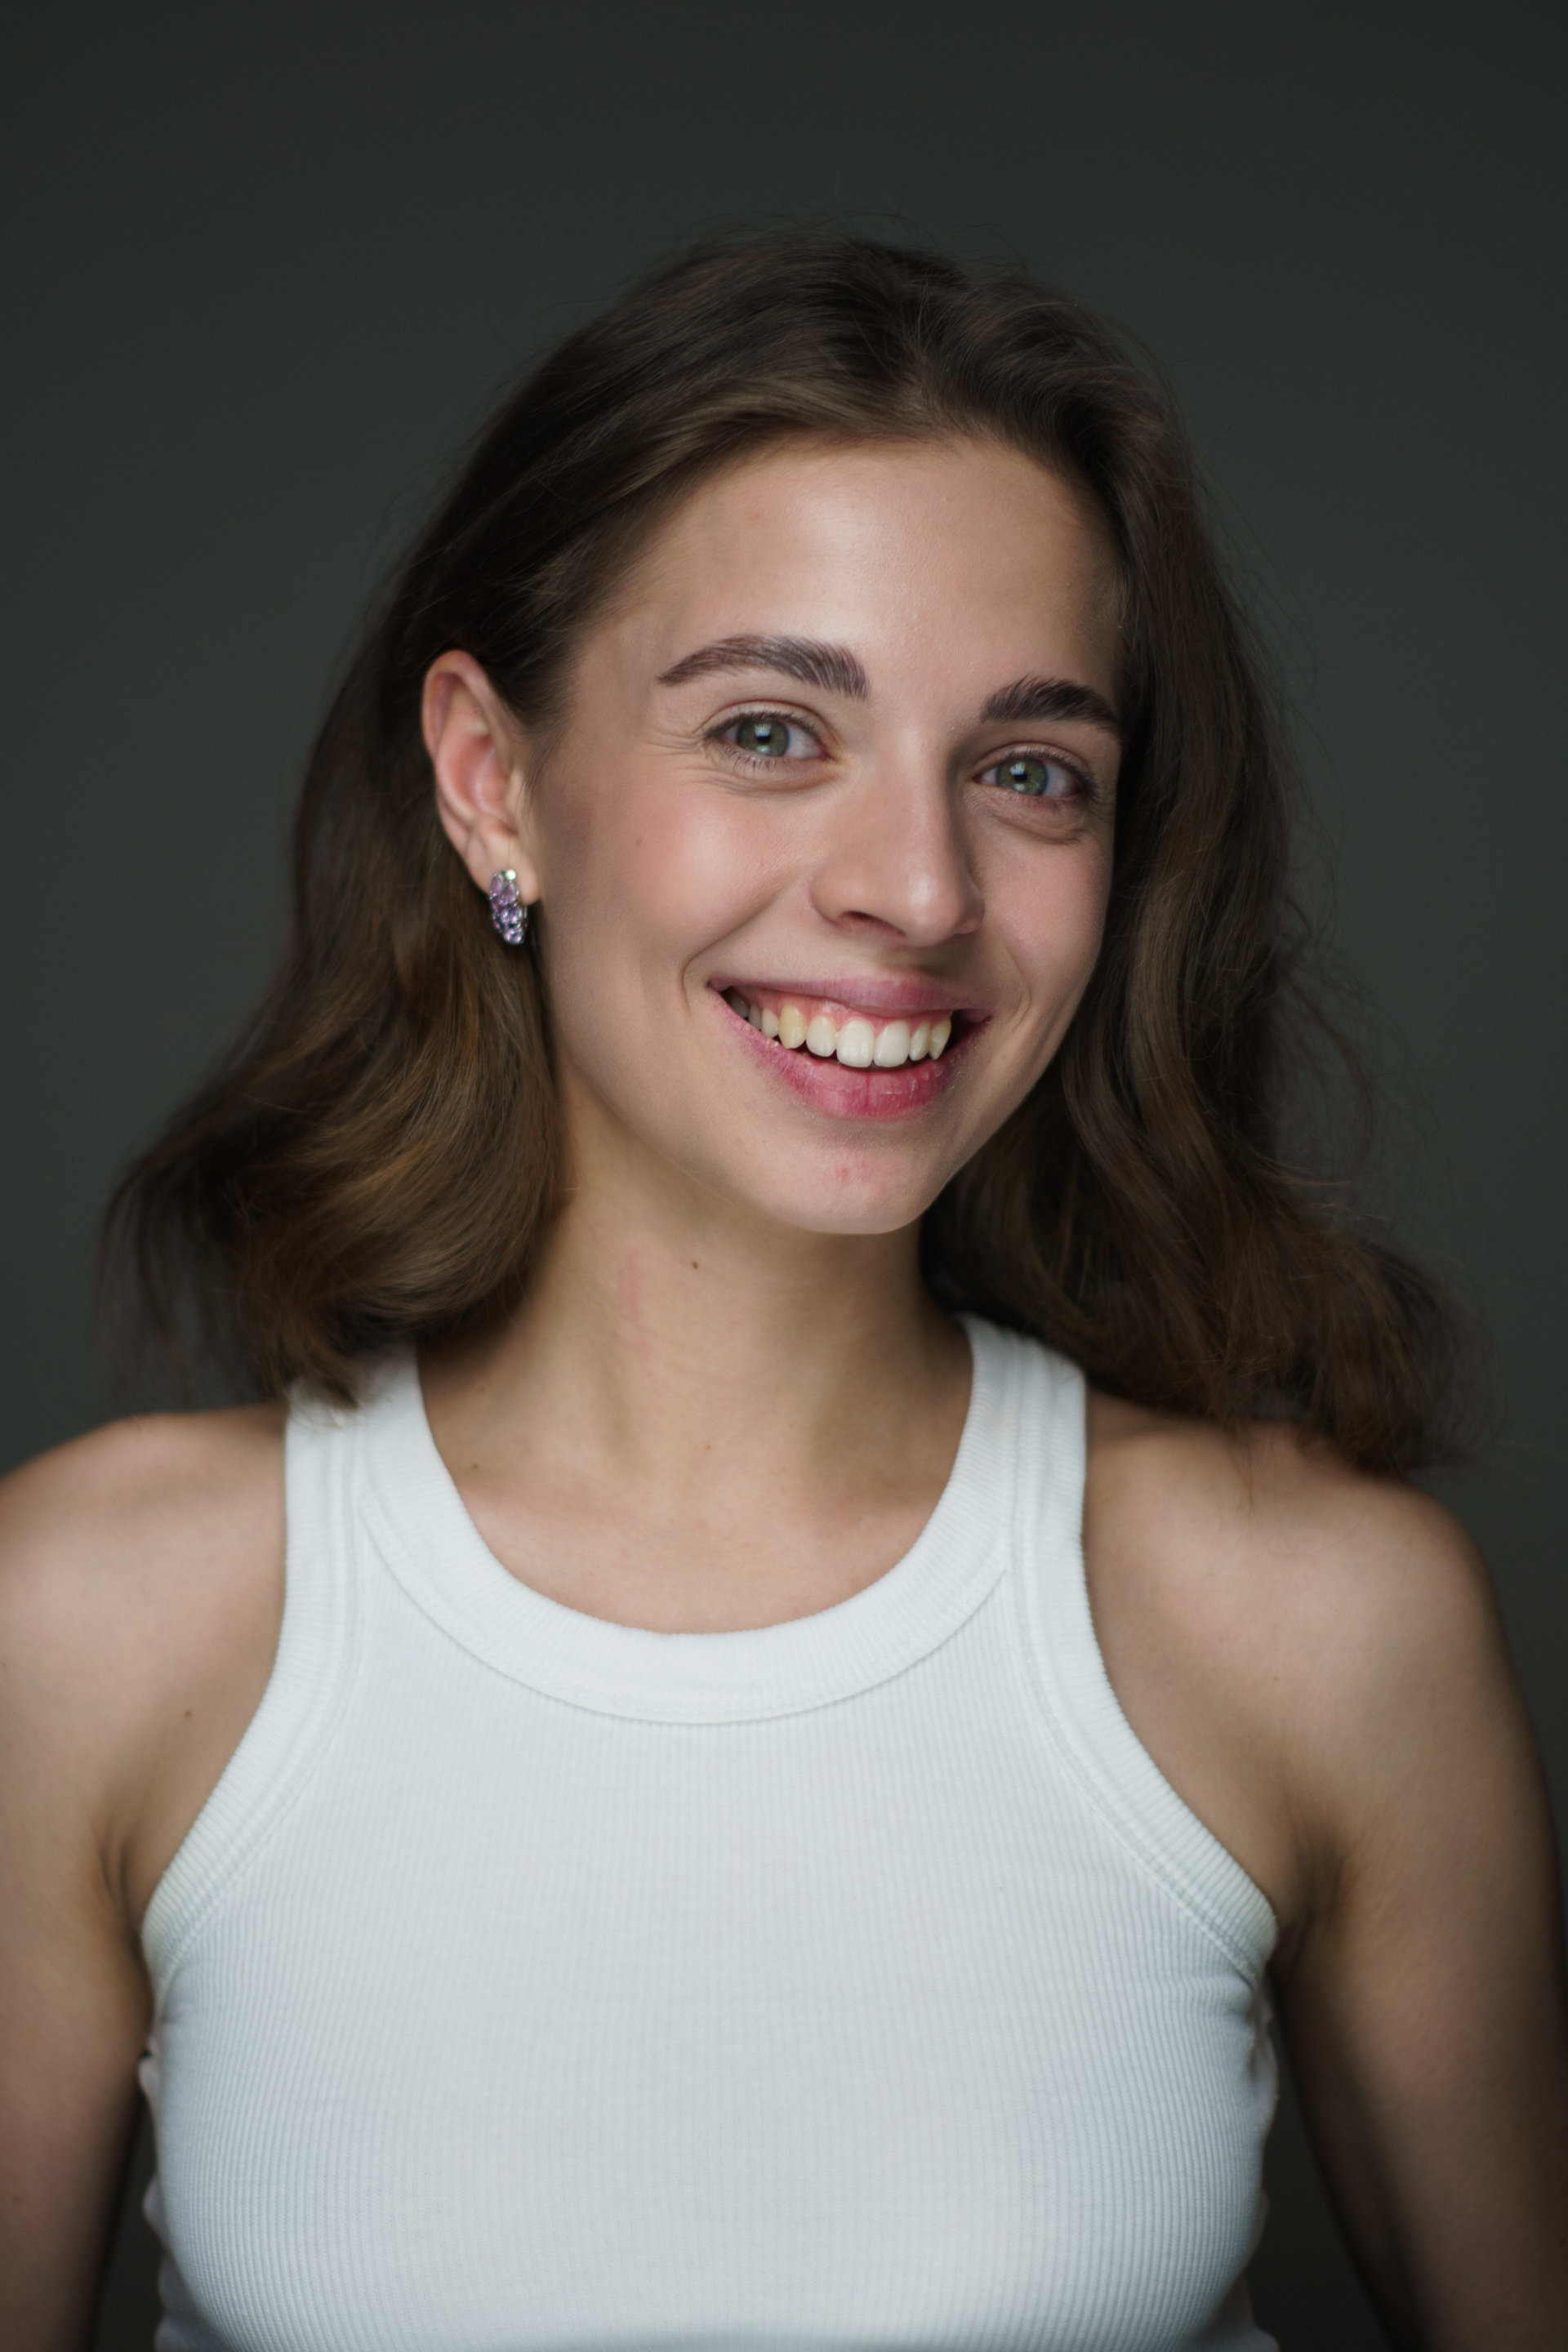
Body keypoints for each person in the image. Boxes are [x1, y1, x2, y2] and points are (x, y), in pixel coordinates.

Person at [2, 233, 1564, 2352]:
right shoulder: (90, 1635)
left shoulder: (1314, 1628)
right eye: (769, 730)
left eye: (1029, 770)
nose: (917, 891)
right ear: (493, 781)